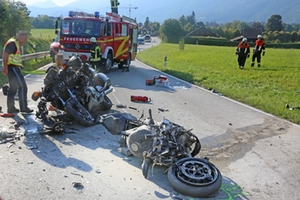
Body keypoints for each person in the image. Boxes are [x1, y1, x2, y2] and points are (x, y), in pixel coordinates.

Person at [2, 31, 33, 113]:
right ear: (20, 36)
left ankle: (11, 108)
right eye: (25, 39)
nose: (25, 41)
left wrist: (19, 64)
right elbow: (5, 54)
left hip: (12, 67)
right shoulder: (12, 43)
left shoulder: (15, 42)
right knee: (22, 86)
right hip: (12, 67)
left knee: (13, 88)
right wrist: (5, 67)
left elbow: (14, 57)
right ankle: (23, 107)